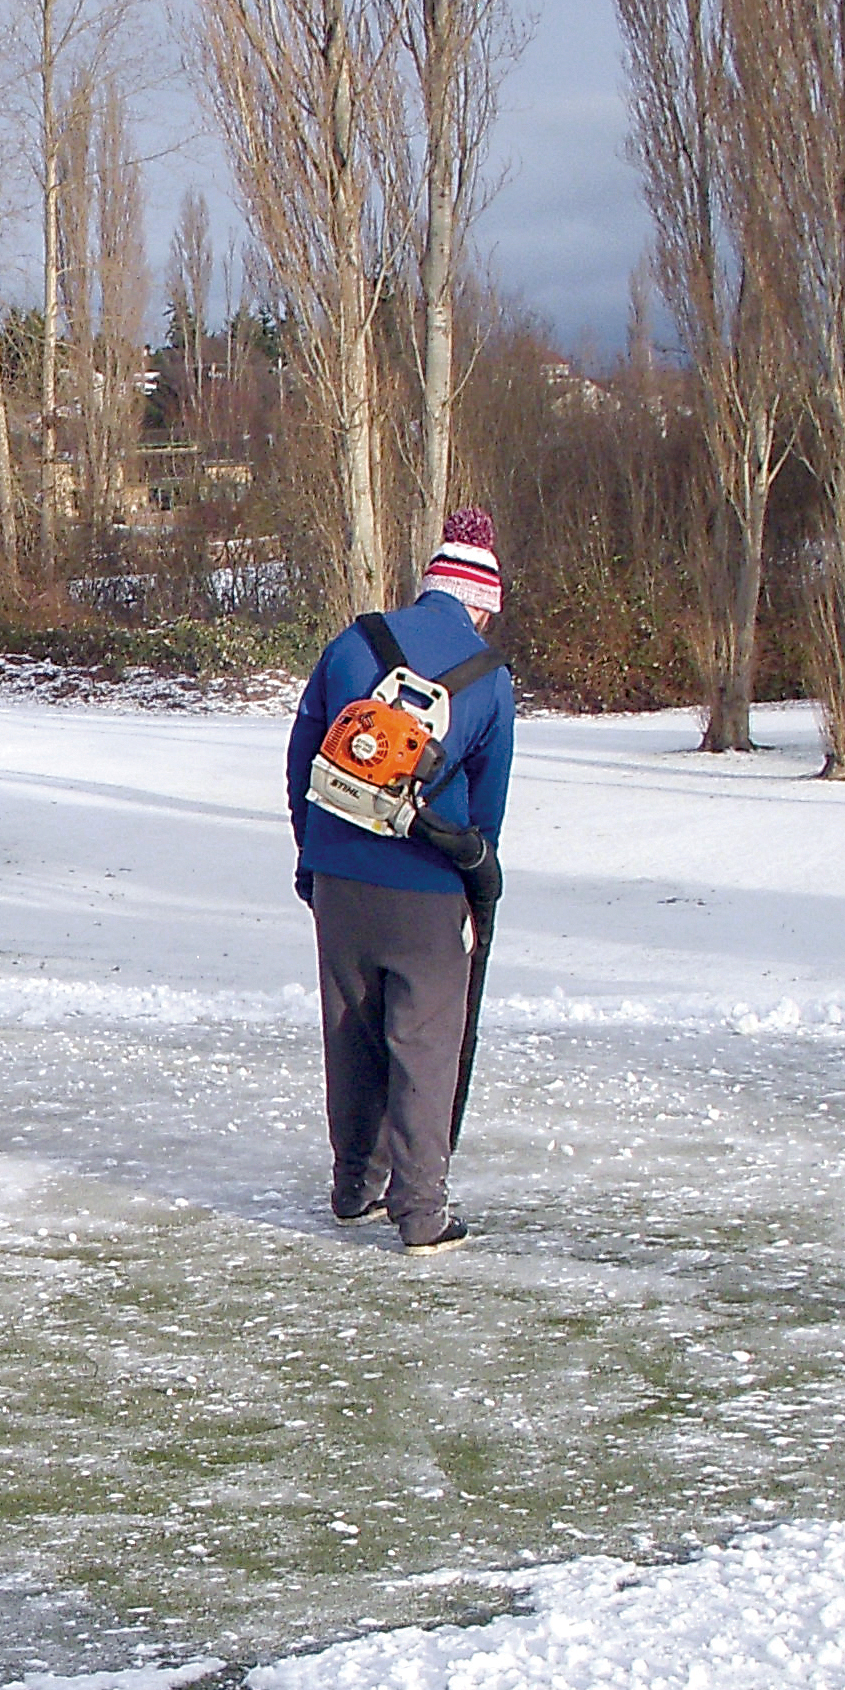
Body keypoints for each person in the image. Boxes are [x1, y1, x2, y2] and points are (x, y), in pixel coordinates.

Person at [284, 510, 516, 1250]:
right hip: (427, 883)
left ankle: (355, 1184)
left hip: (338, 875)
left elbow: (303, 757)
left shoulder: (353, 643)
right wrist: (475, 887)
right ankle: (421, 1212)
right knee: (424, 1042)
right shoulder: (489, 678)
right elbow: (488, 807)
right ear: (482, 606)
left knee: (351, 1030)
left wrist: (313, 855)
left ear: (427, 586)